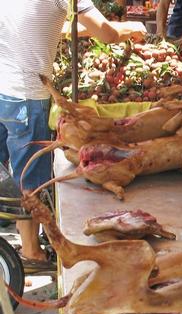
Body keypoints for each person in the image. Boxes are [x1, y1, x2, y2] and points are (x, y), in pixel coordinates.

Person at [0, 0, 144, 269]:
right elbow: (107, 34)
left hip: (2, 87)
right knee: (29, 177)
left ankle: (12, 233)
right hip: (25, 94)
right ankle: (31, 253)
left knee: (5, 169)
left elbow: (50, 25)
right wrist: (131, 28)